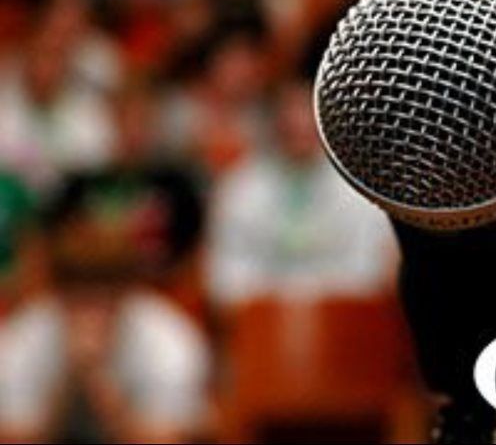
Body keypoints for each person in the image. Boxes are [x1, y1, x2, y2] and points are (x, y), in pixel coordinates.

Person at [0, 171, 210, 443]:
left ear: (128, 295)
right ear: (58, 296)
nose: (91, 313)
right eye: (78, 299)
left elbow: (164, 440)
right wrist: (68, 383)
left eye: (105, 300)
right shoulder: (22, 338)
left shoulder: (169, 341)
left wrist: (101, 383)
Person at [207, 79, 395, 309]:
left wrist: (312, 298)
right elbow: (225, 279)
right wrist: (286, 301)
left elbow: (369, 272)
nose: (299, 123)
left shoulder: (360, 186)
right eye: (290, 112)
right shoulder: (239, 187)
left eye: (306, 112)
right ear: (274, 121)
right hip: (263, 325)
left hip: (344, 324)